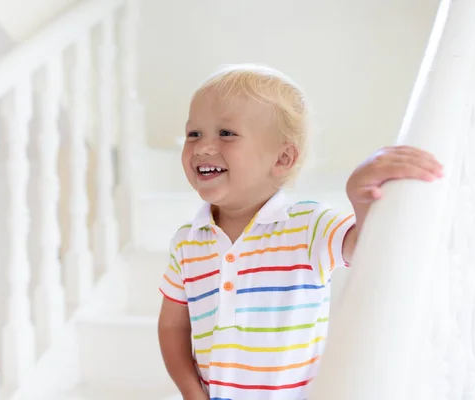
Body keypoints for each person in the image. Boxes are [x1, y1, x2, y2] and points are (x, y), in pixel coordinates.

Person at [157, 64, 443, 400]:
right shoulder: (187, 241)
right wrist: (191, 392)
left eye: (226, 133)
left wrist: (358, 194)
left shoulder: (309, 224)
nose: (203, 147)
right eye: (194, 134)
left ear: (282, 158)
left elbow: (365, 247)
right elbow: (173, 326)